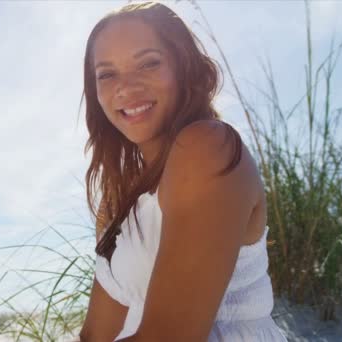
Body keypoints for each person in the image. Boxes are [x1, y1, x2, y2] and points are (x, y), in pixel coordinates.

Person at [78, 2, 286, 341]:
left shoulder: (206, 148)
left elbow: (168, 336)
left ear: (185, 67)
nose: (126, 87)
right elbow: (95, 335)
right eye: (107, 74)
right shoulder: (117, 201)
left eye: (148, 63)